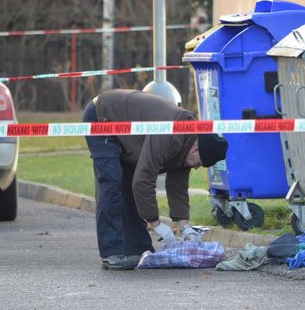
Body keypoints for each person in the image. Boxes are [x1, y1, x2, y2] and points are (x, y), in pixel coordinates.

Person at [82, 89, 228, 270]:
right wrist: (157, 224)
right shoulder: (170, 133)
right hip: (104, 116)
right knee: (112, 184)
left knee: (128, 188)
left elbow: (178, 187)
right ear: (195, 150)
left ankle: (138, 248)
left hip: (130, 138)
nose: (197, 167)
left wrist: (185, 227)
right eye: (200, 163)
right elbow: (144, 181)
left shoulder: (189, 140)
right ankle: (112, 252)